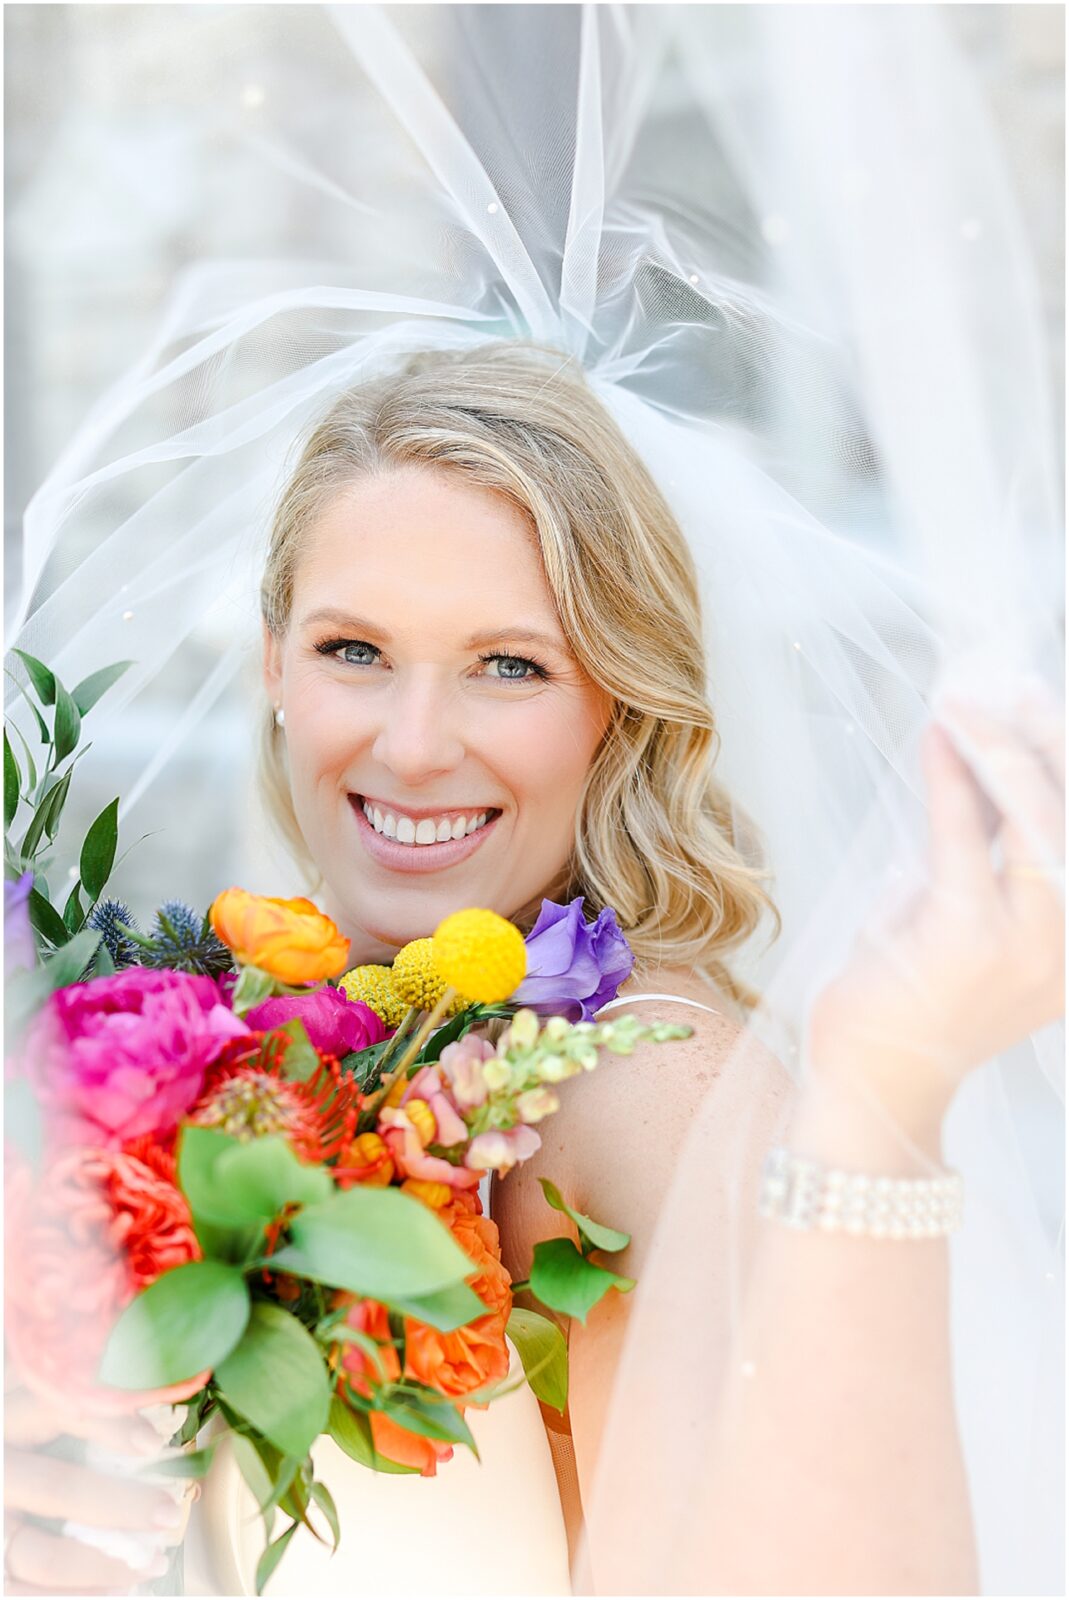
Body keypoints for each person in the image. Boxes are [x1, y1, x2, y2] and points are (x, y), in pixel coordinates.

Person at [4, 7, 1063, 1595]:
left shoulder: (631, 1086)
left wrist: (879, 1097)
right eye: (356, 649)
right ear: (277, 666)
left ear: (619, 710)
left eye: (508, 667)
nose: (413, 745)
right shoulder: (246, 1047)